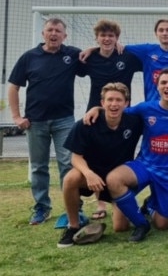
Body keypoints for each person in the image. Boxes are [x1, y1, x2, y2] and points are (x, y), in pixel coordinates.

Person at [96, 69, 168, 242]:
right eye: (163, 83)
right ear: (157, 87)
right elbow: (117, 110)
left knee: (163, 224)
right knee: (119, 220)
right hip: (145, 165)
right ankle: (141, 224)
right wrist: (97, 109)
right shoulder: (145, 108)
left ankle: (150, 203)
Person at [8, 18, 82, 225]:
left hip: (64, 121)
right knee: (39, 167)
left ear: (64, 36)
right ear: (43, 34)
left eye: (58, 31)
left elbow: (92, 57)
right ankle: (42, 207)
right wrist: (16, 117)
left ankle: (74, 208)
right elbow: (13, 86)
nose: (54, 34)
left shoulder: (72, 55)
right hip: (35, 122)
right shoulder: (29, 57)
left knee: (68, 165)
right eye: (50, 30)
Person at [58, 83, 143, 248]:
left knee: (121, 228)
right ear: (102, 103)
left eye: (119, 100)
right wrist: (88, 174)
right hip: (92, 175)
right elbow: (75, 158)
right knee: (70, 178)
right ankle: (73, 226)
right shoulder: (86, 123)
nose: (114, 104)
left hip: (117, 179)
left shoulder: (134, 122)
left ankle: (134, 208)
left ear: (126, 103)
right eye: (109, 100)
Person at [79, 19, 143, 220]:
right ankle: (100, 203)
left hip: (123, 114)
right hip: (96, 113)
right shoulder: (89, 58)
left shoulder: (128, 57)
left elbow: (150, 58)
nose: (106, 39)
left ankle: (120, 195)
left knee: (122, 156)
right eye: (103, 36)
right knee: (96, 157)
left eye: (111, 36)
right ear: (97, 38)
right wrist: (90, 49)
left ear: (117, 38)